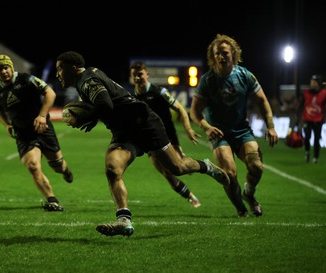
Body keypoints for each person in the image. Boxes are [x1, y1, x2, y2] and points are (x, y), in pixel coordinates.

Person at [55, 51, 230, 237]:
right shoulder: (85, 81)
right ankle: (124, 220)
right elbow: (103, 106)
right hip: (124, 132)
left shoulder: (88, 79)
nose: (57, 74)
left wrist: (86, 117)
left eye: (60, 69)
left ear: (73, 69)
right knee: (113, 169)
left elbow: (105, 105)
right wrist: (90, 117)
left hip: (144, 124)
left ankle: (208, 167)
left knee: (177, 167)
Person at [190, 34, 278, 218]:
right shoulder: (207, 80)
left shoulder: (244, 75)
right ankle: (241, 209)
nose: (221, 57)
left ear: (233, 54)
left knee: (257, 167)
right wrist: (206, 127)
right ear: (212, 57)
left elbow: (262, 101)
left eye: (224, 53)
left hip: (242, 131)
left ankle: (249, 195)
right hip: (219, 134)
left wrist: (270, 126)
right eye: (217, 54)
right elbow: (195, 112)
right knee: (229, 174)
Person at [0, 55, 73, 212]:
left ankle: (65, 171)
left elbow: (50, 93)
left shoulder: (26, 79)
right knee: (33, 166)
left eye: (6, 67)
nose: (4, 71)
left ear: (11, 67)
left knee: (57, 165)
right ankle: (52, 200)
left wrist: (42, 116)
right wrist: (7, 125)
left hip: (42, 128)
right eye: (0, 69)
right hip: (23, 134)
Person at [129, 61, 201, 208]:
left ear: (147, 74)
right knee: (167, 173)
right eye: (134, 75)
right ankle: (191, 197)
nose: (137, 78)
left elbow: (180, 108)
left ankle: (204, 166)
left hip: (169, 136)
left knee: (180, 167)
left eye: (140, 74)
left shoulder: (159, 92)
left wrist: (188, 129)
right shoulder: (133, 98)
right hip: (150, 141)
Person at [298, 74, 326, 164]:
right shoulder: (306, 93)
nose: (312, 83)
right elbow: (301, 106)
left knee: (317, 139)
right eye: (311, 82)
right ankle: (307, 152)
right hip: (307, 119)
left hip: (318, 120)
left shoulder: (324, 93)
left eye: (314, 82)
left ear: (318, 83)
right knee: (307, 137)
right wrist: (297, 119)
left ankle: (315, 158)